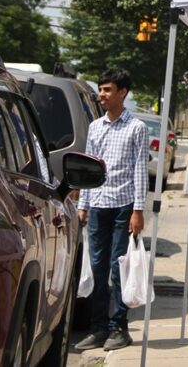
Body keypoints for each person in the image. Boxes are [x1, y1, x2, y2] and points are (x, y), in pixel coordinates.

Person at [74, 68, 149, 352]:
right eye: (100, 89)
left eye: (107, 90)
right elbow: (88, 170)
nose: (101, 95)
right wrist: (83, 206)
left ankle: (119, 327)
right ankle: (98, 329)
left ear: (122, 93)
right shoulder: (96, 127)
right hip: (98, 206)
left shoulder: (136, 128)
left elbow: (140, 170)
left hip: (123, 206)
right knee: (97, 268)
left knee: (119, 270)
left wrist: (138, 210)